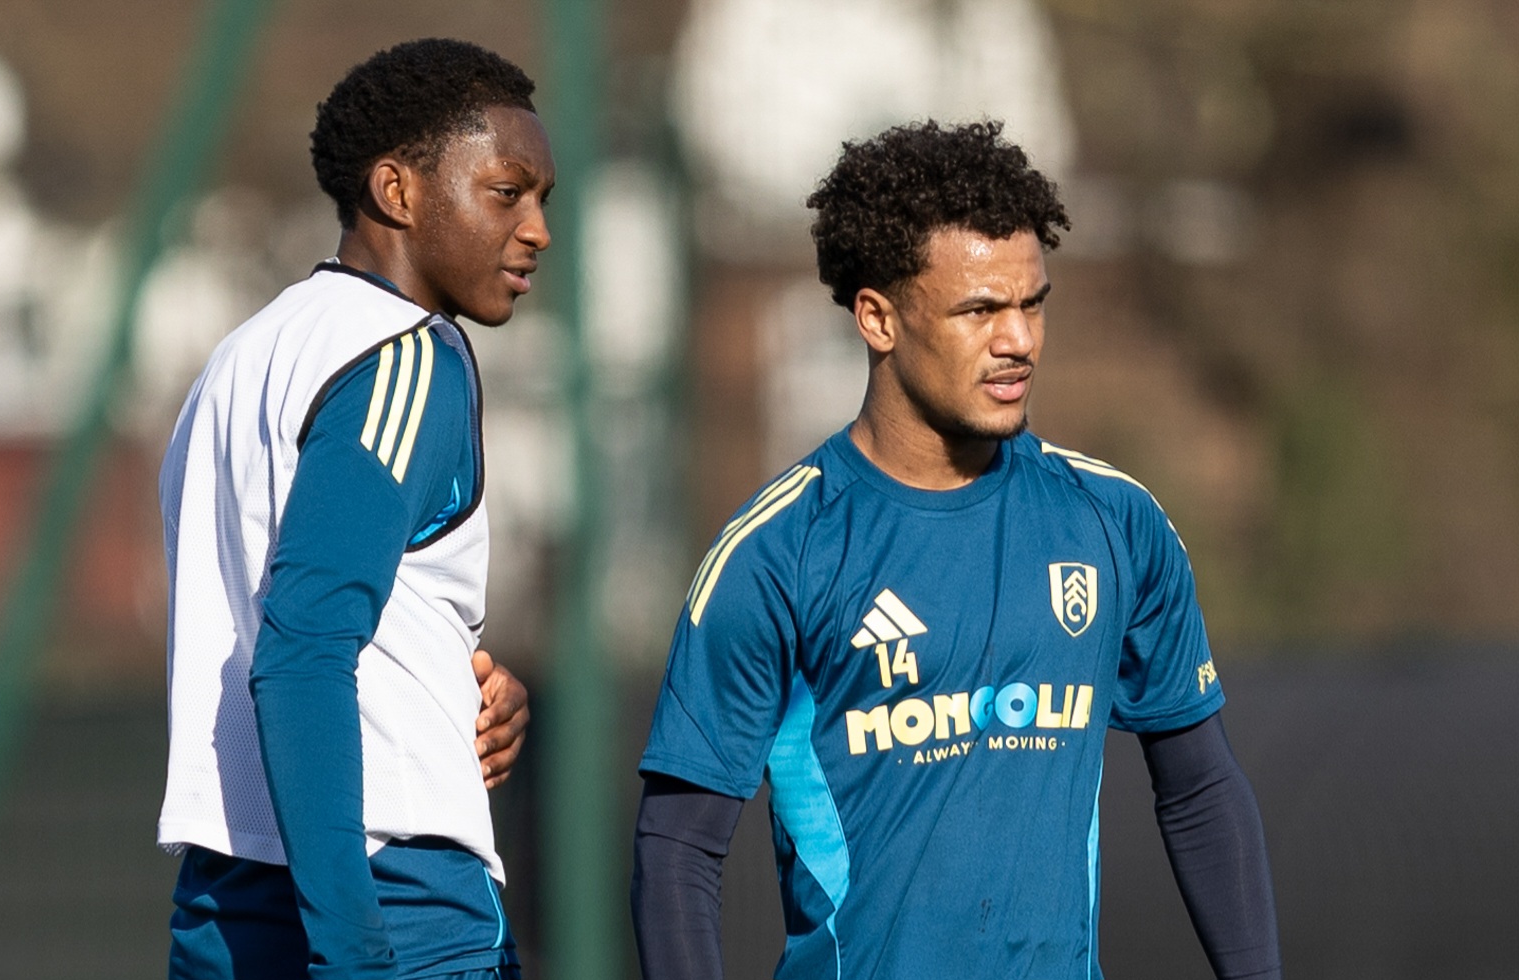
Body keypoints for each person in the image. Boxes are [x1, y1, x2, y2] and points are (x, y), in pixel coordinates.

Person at [631, 120, 1281, 980]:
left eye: (1032, 303)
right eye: (980, 310)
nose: (1019, 340)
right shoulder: (777, 553)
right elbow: (677, 850)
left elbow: (1200, 789)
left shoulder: (1114, 522)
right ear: (878, 318)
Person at [157, 38, 554, 980]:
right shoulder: (405, 354)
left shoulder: (240, 359)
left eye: (544, 199)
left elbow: (296, 616)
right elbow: (302, 649)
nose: (537, 228)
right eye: (507, 192)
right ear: (397, 190)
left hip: (228, 899)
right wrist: (354, 951)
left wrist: (459, 687)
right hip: (388, 901)